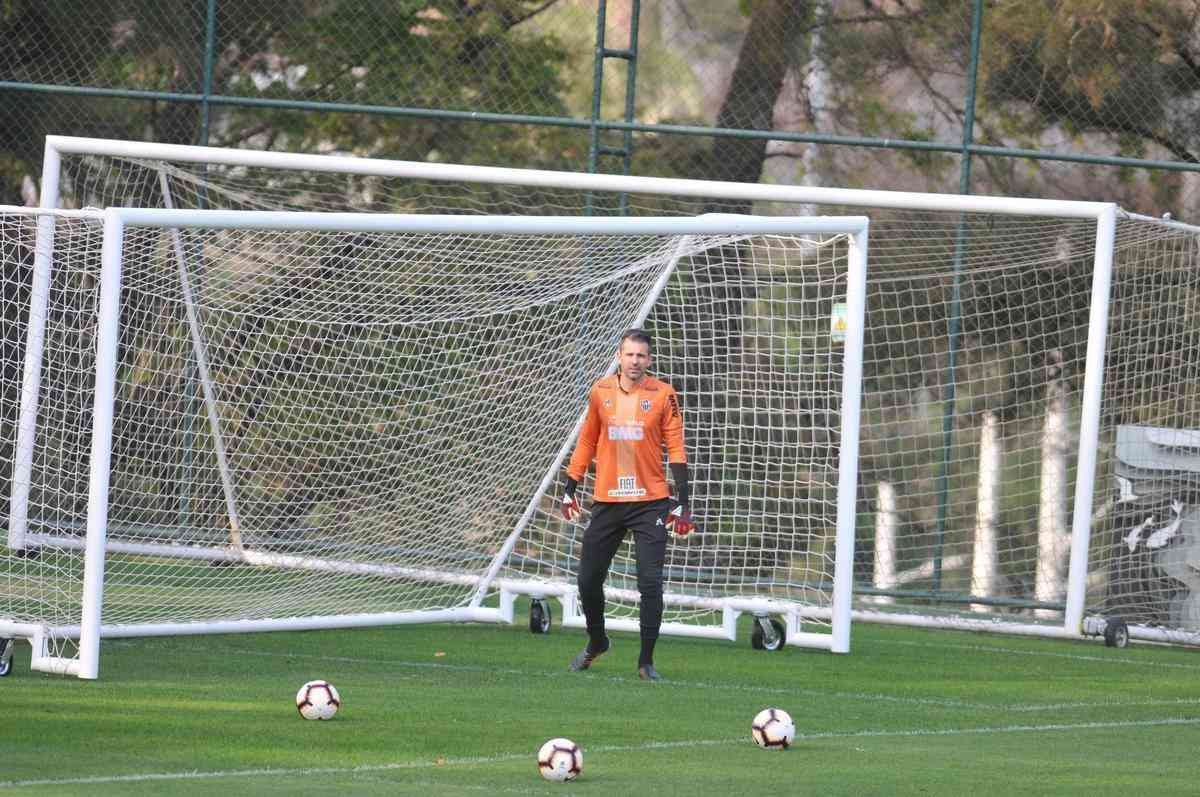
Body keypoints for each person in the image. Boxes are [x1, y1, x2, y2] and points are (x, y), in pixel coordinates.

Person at [560, 328, 695, 682]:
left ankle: (646, 662)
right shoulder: (600, 391)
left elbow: (676, 449)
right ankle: (597, 641)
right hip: (607, 501)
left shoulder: (664, 394)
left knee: (650, 583)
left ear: (649, 360)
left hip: (650, 503)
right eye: (629, 354)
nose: (635, 361)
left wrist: (683, 500)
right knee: (588, 579)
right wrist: (569, 487)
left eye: (642, 356)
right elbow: (587, 440)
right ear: (620, 356)